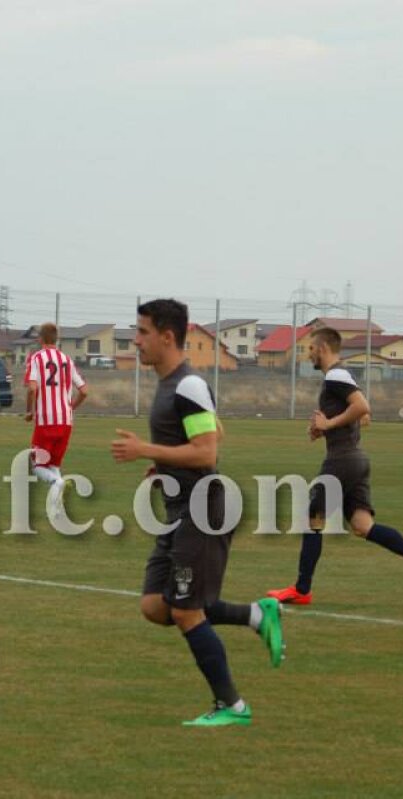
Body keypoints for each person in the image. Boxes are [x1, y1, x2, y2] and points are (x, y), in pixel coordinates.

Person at [111, 299, 283, 727]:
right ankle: (256, 614)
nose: (136, 340)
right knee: (156, 605)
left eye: (143, 332)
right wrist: (165, 463)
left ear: (168, 336)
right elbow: (212, 428)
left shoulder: (186, 384)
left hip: (203, 508)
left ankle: (232, 706)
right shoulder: (173, 384)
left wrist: (145, 450)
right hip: (179, 508)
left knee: (187, 610)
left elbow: (208, 449)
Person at [267, 327, 403, 604]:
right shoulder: (338, 377)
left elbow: (362, 407)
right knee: (362, 525)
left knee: (313, 517)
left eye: (311, 348)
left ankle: (302, 589)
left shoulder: (335, 375)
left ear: (323, 348)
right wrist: (323, 430)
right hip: (354, 458)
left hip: (343, 460)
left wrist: (329, 424)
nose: (308, 353)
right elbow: (358, 416)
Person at [23, 322, 88, 513]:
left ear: (40, 339)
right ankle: (57, 511)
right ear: (56, 339)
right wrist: (70, 408)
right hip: (66, 421)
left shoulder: (37, 358)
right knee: (53, 464)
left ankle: (58, 483)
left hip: (46, 421)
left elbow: (32, 387)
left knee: (37, 466)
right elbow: (84, 391)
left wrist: (30, 411)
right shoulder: (67, 360)